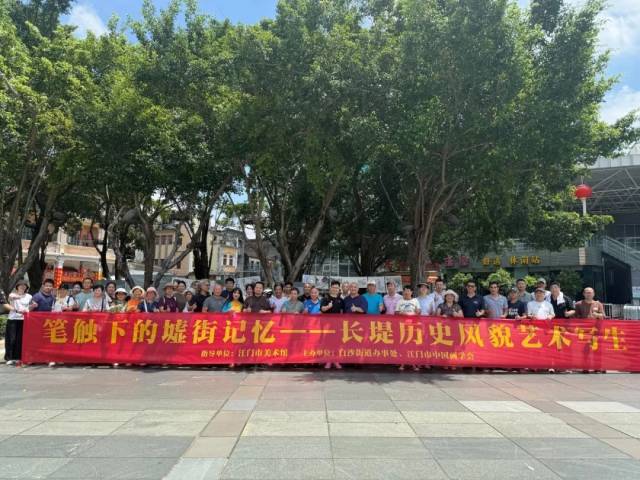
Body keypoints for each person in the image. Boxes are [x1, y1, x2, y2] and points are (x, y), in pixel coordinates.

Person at [6, 280, 32, 365]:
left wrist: (32, 306)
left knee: (20, 339)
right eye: (20, 285)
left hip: (24, 319)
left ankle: (18, 357)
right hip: (13, 319)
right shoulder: (12, 294)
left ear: (26, 287)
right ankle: (9, 357)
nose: (22, 287)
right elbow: (10, 299)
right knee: (11, 338)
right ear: (17, 287)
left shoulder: (29, 296)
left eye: (24, 286)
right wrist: (16, 297)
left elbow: (30, 306)